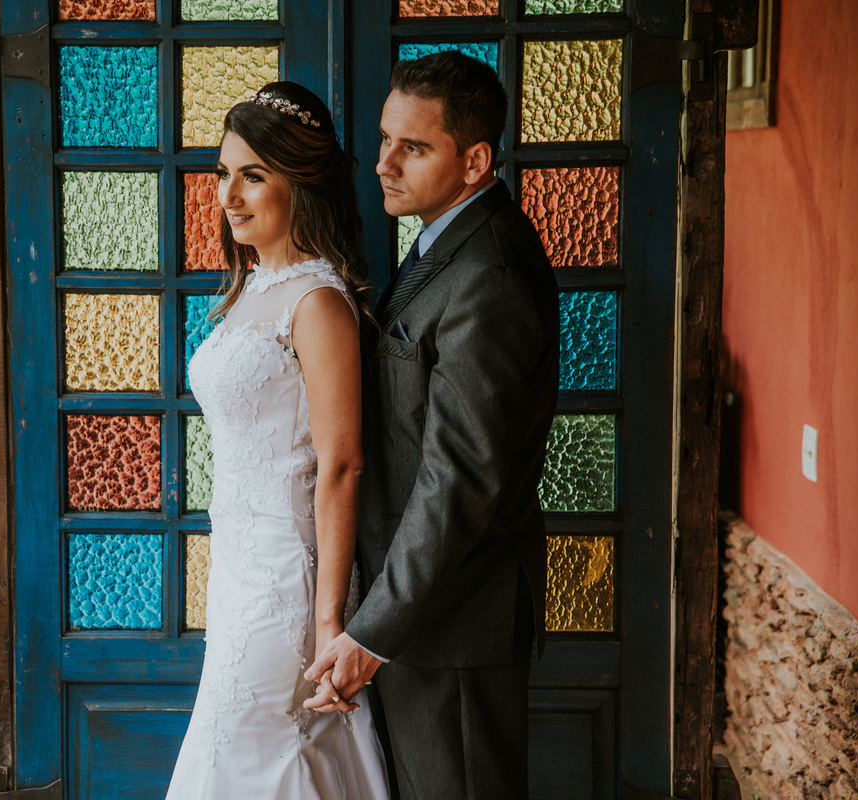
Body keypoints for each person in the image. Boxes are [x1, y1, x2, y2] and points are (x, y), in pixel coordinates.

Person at [304, 51, 560, 799]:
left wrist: (374, 631)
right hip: (418, 610)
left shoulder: (490, 275)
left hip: (453, 620)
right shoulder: (440, 245)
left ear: (475, 159)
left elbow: (460, 476)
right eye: (386, 139)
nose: (384, 163)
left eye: (412, 147)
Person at [165, 81, 390, 800]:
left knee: (246, 755)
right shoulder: (255, 286)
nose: (229, 195)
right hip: (238, 572)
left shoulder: (318, 302)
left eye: (253, 175)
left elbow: (343, 462)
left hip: (289, 588)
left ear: (302, 184)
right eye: (224, 173)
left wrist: (330, 621)